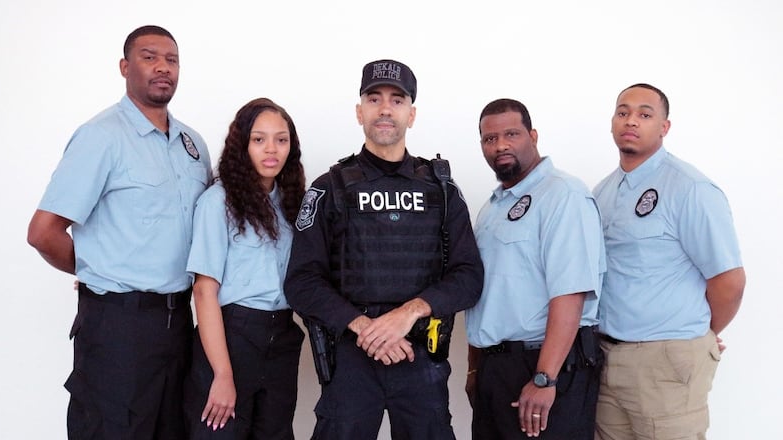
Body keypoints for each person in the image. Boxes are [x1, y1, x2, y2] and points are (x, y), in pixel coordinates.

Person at [26, 25, 212, 440]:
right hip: (118, 330)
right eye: (149, 57)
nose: (163, 67)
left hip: (180, 322)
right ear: (125, 67)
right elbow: (43, 232)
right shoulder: (101, 137)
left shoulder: (191, 144)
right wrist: (94, 267)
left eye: (172, 59)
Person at [284, 59, 484, 439]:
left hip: (420, 355)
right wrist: (367, 329)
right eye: (374, 99)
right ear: (360, 112)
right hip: (351, 357)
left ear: (412, 113)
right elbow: (302, 282)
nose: (385, 108)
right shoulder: (330, 188)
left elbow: (469, 276)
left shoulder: (441, 190)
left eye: (397, 99)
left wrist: (407, 315)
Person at [593, 83, 746, 440]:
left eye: (645, 114)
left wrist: (699, 333)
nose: (631, 120)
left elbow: (729, 281)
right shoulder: (603, 192)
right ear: (613, 122)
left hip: (665, 362)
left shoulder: (690, 188)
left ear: (664, 127)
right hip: (607, 356)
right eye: (623, 112)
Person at [465, 99, 605, 439]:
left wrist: (545, 377)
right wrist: (476, 369)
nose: (500, 145)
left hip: (546, 366)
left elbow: (570, 292)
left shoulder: (563, 195)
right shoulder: (492, 209)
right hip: (495, 369)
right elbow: (484, 293)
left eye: (511, 134)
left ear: (533, 135)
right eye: (489, 138)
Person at [183, 98, 306, 439]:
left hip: (281, 338)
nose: (271, 149)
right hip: (233, 337)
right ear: (242, 145)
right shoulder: (218, 202)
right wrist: (223, 374)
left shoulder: (293, 204)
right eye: (259, 139)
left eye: (281, 140)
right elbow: (204, 291)